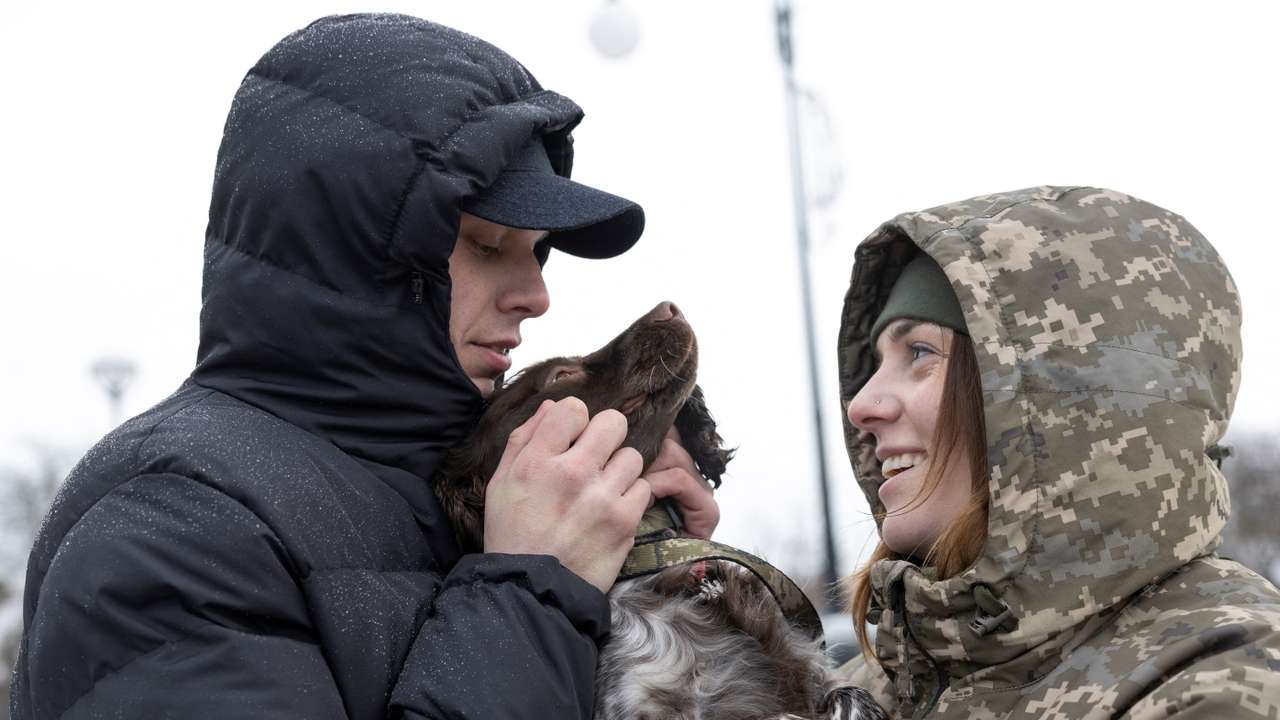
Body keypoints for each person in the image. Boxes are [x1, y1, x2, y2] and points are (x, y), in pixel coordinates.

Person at [10, 14, 716, 720]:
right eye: (489, 244)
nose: (536, 296)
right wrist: (537, 587)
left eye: (537, 250)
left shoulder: (476, 492)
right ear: (365, 252)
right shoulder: (175, 524)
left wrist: (652, 581)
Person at [836, 186, 1280, 718]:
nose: (862, 405)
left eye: (920, 352)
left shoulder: (1222, 675)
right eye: (878, 361)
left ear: (1063, 399)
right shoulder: (882, 681)